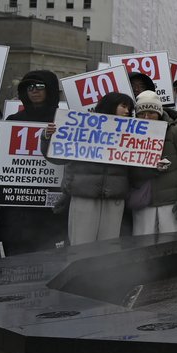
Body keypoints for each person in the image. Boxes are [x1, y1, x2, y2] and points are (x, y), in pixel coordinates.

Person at [46, 91, 136, 246]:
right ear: (111, 105)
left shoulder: (133, 133)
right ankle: (80, 271)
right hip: (84, 195)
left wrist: (156, 164)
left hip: (114, 197)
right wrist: (48, 137)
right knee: (81, 244)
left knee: (109, 246)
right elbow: (57, 158)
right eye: (123, 106)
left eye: (130, 108)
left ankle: (104, 271)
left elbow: (137, 166)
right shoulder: (83, 126)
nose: (127, 111)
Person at [0, 69, 64, 255]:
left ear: (50, 89)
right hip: (17, 210)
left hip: (51, 211)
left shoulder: (63, 122)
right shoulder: (12, 121)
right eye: (29, 87)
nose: (34, 90)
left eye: (40, 86)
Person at [131, 91, 177, 236]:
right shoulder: (131, 134)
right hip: (144, 201)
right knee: (142, 248)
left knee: (171, 246)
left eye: (151, 112)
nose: (147, 117)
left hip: (171, 202)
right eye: (142, 113)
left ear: (159, 113)